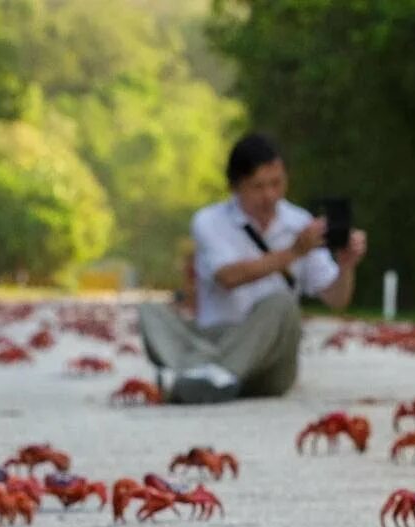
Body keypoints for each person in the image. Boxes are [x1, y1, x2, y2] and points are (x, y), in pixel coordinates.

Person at [138, 133, 369, 403]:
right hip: (215, 339)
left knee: (281, 304)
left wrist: (346, 266)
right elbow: (227, 277)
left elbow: (337, 299)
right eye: (258, 186)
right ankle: (217, 376)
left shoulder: (300, 223)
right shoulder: (209, 221)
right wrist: (293, 252)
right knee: (150, 313)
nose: (269, 195)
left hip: (270, 360)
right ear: (235, 187)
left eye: (277, 183)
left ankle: (213, 376)